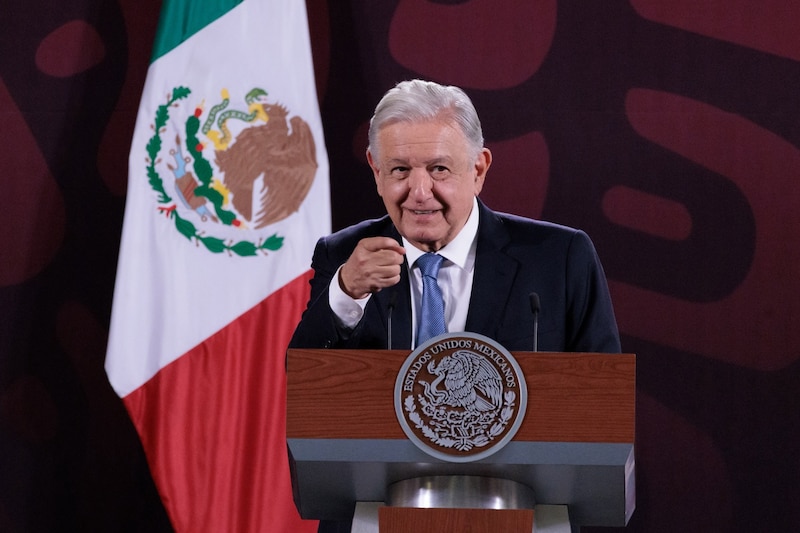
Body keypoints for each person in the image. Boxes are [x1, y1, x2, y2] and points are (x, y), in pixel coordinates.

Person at [288, 79, 620, 354]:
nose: (419, 191)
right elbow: (304, 392)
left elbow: (604, 398)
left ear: (478, 170)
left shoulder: (559, 258)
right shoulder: (343, 256)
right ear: (377, 172)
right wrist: (346, 293)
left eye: (439, 169)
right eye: (400, 169)